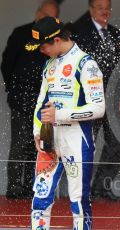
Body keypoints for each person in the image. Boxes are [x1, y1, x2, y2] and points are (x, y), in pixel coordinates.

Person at [29, 16, 105, 229]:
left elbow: (99, 108)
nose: (40, 50)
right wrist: (37, 131)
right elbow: (41, 102)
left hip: (77, 141)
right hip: (49, 140)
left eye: (42, 46)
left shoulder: (86, 64)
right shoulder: (49, 65)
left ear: (56, 40)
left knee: (78, 200)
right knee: (40, 198)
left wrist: (60, 116)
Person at [1, 0, 59, 199]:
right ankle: (15, 190)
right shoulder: (20, 33)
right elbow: (7, 65)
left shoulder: (55, 39)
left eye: (51, 19)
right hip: (22, 100)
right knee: (20, 145)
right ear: (38, 14)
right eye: (44, 17)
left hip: (44, 104)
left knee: (40, 146)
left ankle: (32, 188)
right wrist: (15, 90)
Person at [72, 0, 120, 200]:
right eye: (100, 7)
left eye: (107, 8)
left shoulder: (114, 33)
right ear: (90, 10)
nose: (104, 11)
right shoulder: (79, 31)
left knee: (116, 142)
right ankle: (82, 191)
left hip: (113, 100)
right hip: (90, 99)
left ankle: (101, 188)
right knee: (88, 144)